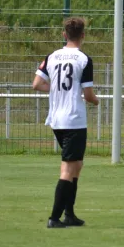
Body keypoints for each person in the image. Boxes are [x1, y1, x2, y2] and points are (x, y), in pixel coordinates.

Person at [32, 17, 99, 228]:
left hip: (56, 119)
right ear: (83, 36)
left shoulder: (51, 56)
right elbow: (88, 95)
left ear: (64, 34)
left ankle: (69, 214)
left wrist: (53, 89)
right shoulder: (83, 59)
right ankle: (54, 218)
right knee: (68, 169)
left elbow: (37, 84)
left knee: (76, 164)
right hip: (74, 120)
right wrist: (96, 101)